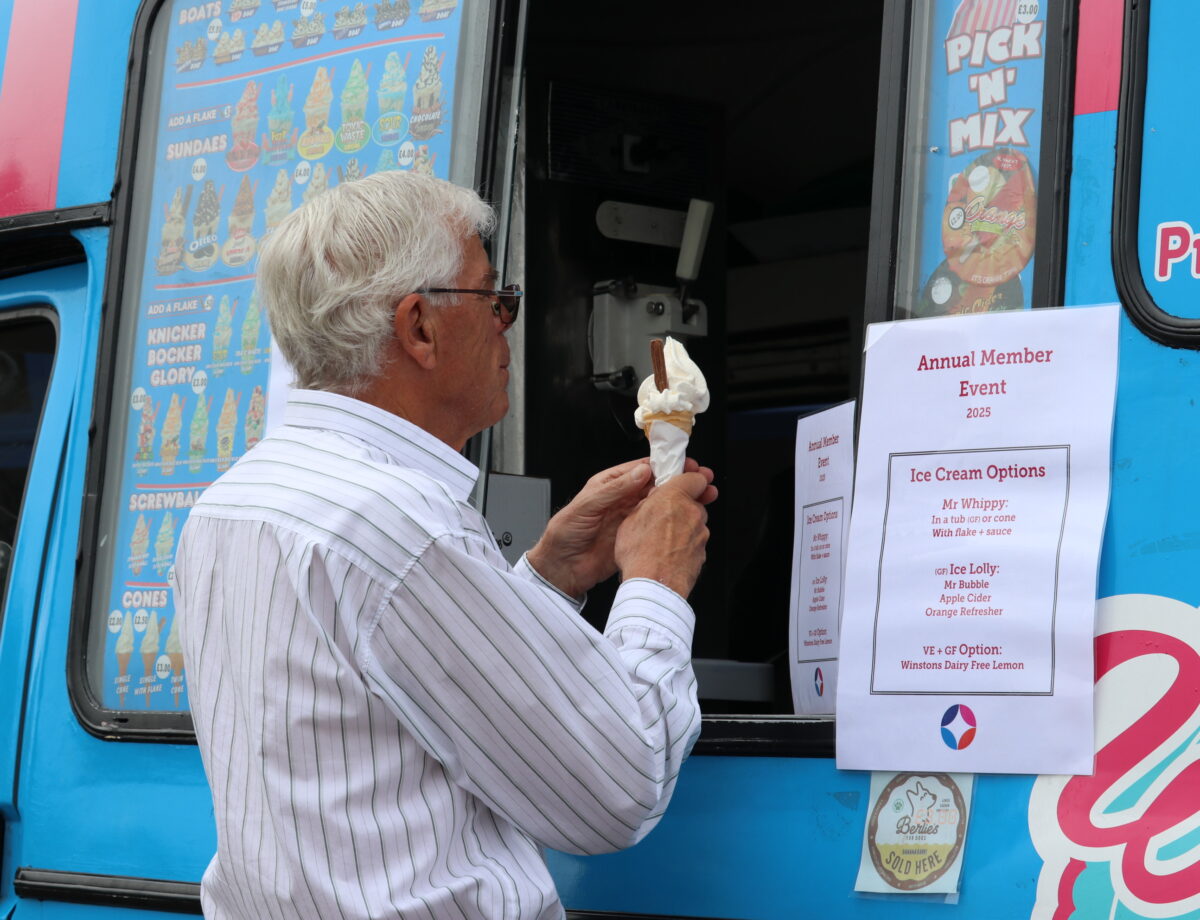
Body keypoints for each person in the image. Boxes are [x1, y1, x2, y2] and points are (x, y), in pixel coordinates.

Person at [173, 170, 716, 920]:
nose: (506, 320)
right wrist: (656, 581)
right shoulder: (400, 523)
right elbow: (617, 788)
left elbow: (395, 696)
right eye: (491, 296)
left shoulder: (233, 500)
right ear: (419, 327)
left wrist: (547, 577)